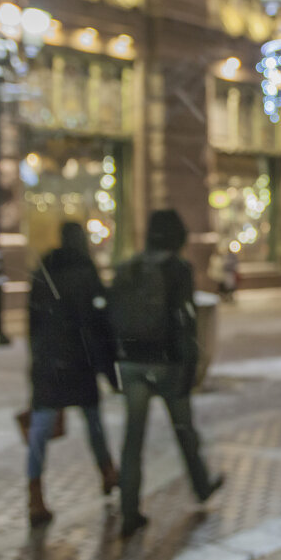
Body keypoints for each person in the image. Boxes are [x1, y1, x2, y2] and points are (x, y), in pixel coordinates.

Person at [111, 209, 223, 538]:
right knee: (184, 429)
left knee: (133, 440)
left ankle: (129, 510)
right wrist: (189, 368)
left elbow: (112, 316)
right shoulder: (179, 269)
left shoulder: (129, 267)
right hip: (167, 362)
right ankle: (201, 486)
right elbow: (184, 322)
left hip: (131, 363)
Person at [26, 221, 118, 528]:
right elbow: (99, 324)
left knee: (39, 429)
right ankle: (107, 471)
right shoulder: (85, 272)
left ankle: (35, 494)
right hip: (79, 361)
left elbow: (33, 320)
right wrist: (109, 368)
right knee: (93, 420)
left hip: (49, 362)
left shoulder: (44, 270)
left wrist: (38, 356)